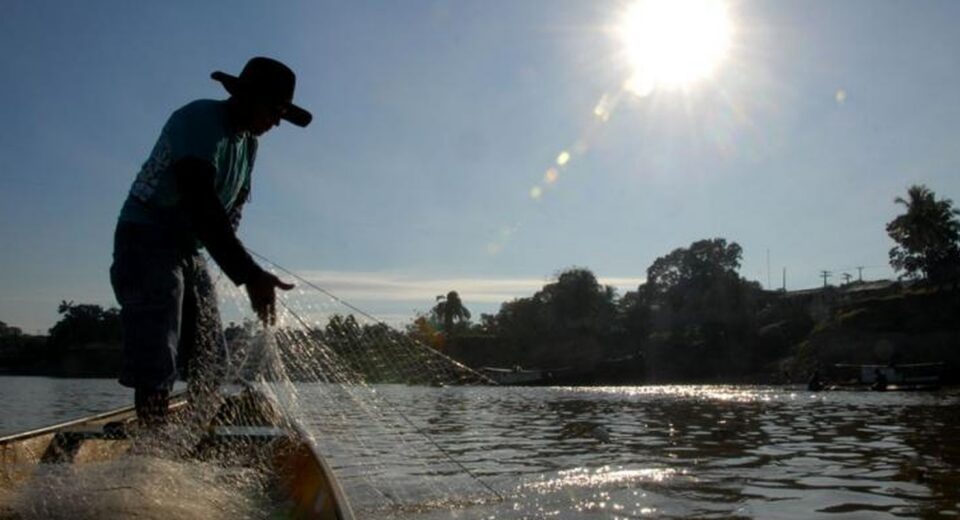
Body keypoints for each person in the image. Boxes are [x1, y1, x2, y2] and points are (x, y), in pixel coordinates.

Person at [110, 57, 311, 425]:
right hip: (146, 237)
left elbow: (230, 211)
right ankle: (152, 442)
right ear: (247, 97)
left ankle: (196, 432)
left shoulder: (248, 144)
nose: (277, 122)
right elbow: (200, 203)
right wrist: (249, 273)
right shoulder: (201, 120)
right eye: (274, 110)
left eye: (283, 113)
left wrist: (240, 264)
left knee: (211, 356)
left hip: (189, 249)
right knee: (158, 348)